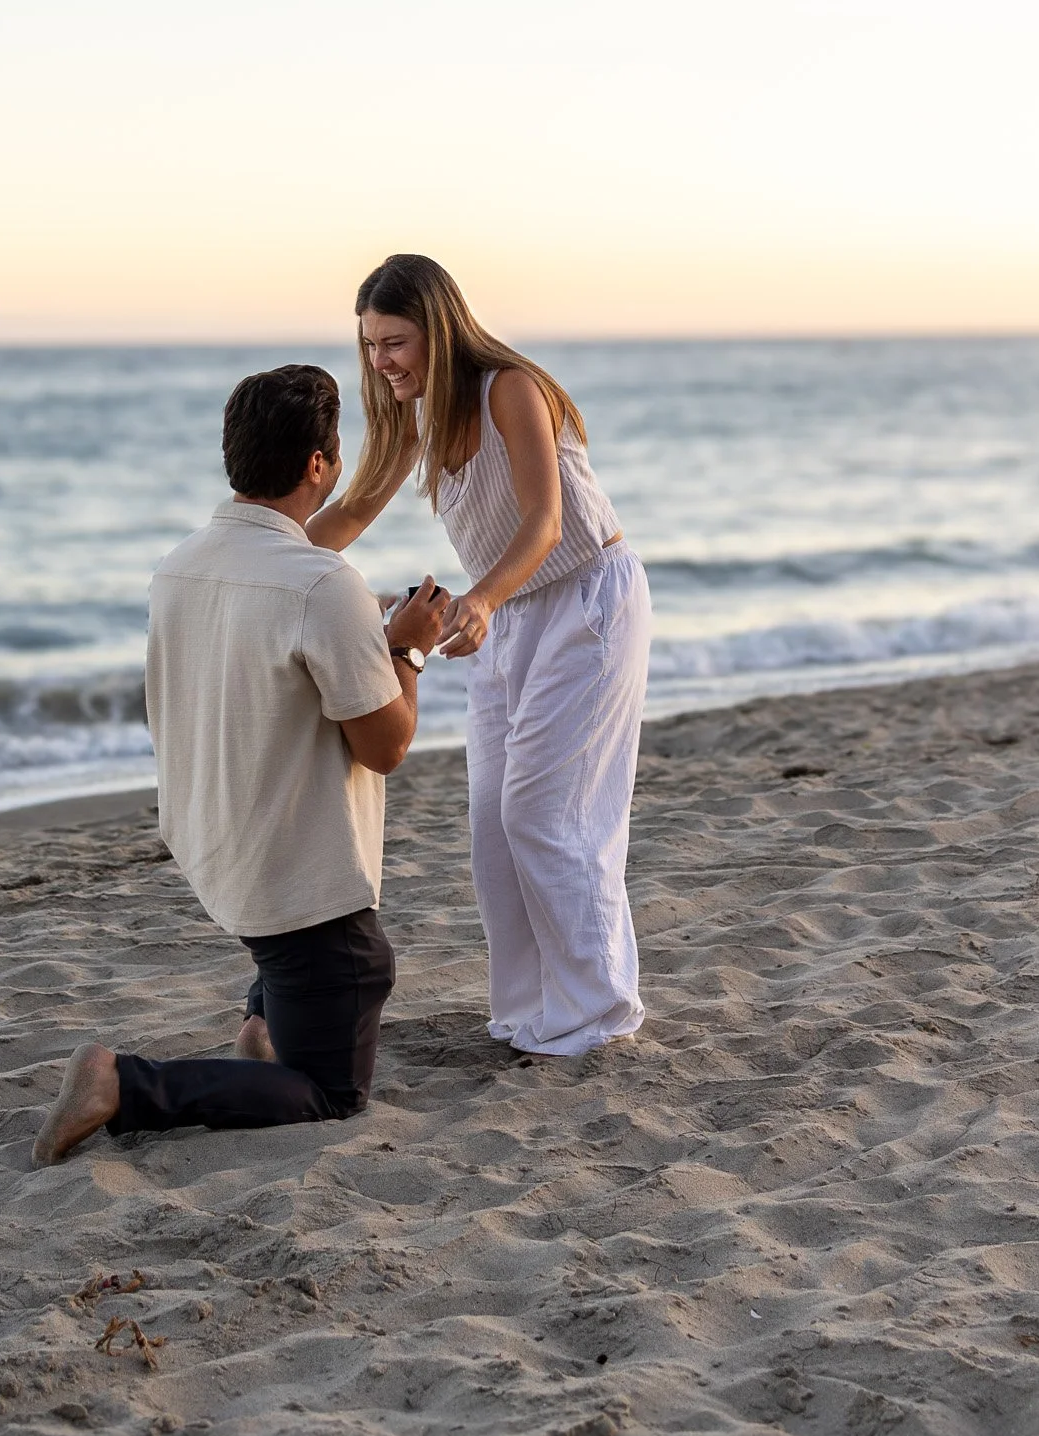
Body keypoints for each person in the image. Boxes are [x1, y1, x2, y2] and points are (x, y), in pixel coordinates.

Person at [33, 362, 448, 1165]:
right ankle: (123, 1084)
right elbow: (385, 746)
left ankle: (261, 1025)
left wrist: (379, 638)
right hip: (294, 885)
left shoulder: (181, 564)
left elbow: (286, 592)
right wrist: (414, 652)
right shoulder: (322, 586)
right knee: (332, 1085)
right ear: (317, 465)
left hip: (216, 847)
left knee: (297, 979)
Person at [307, 255, 649, 1058]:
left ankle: (597, 1012)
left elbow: (543, 522)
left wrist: (481, 600)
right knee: (493, 827)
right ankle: (536, 1011)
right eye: (368, 345)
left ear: (438, 327)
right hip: (505, 615)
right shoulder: (412, 413)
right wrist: (263, 557)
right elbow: (353, 506)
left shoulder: (508, 389)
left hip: (584, 601)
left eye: (393, 341)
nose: (379, 361)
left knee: (547, 813)